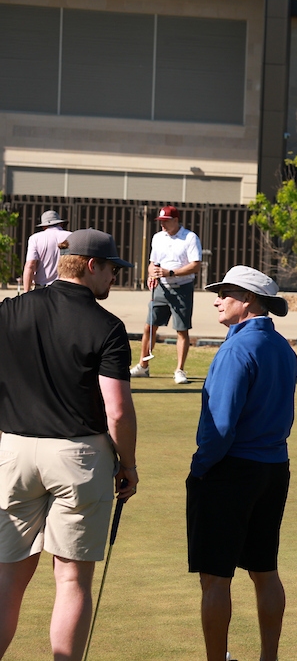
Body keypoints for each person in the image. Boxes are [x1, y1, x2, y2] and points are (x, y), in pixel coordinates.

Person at [0, 228, 138, 660]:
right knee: (72, 579)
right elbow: (116, 410)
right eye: (112, 269)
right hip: (79, 455)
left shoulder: (10, 310)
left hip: (14, 451)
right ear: (91, 266)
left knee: (7, 578)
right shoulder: (108, 326)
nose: (114, 278)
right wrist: (128, 465)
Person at [187, 265, 297, 661]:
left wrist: (200, 469)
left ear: (248, 300)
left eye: (225, 292)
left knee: (215, 578)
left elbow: (220, 424)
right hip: (274, 469)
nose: (217, 298)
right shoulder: (283, 347)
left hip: (231, 470)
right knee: (264, 570)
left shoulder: (237, 348)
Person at [131, 205, 203, 384]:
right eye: (160, 221)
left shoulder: (190, 238)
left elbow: (195, 265)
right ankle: (143, 366)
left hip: (182, 287)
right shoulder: (158, 238)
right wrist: (151, 274)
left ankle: (180, 370)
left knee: (181, 329)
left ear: (176, 220)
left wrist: (170, 272)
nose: (162, 225)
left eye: (166, 221)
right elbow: (152, 263)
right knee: (149, 327)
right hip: (161, 288)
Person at [22, 209, 72, 293]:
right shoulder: (71, 236)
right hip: (65, 287)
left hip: (42, 288)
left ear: (44, 226)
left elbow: (30, 265)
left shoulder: (35, 238)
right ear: (60, 223)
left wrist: (26, 292)